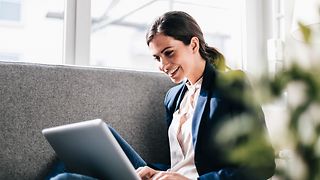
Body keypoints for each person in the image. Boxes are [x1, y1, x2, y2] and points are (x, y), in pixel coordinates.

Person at [49, 11, 275, 180]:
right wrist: (157, 172)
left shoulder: (231, 84)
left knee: (65, 179)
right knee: (82, 145)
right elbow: (180, 161)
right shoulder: (173, 97)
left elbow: (263, 165)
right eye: (157, 58)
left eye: (169, 53)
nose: (164, 65)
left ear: (193, 44)